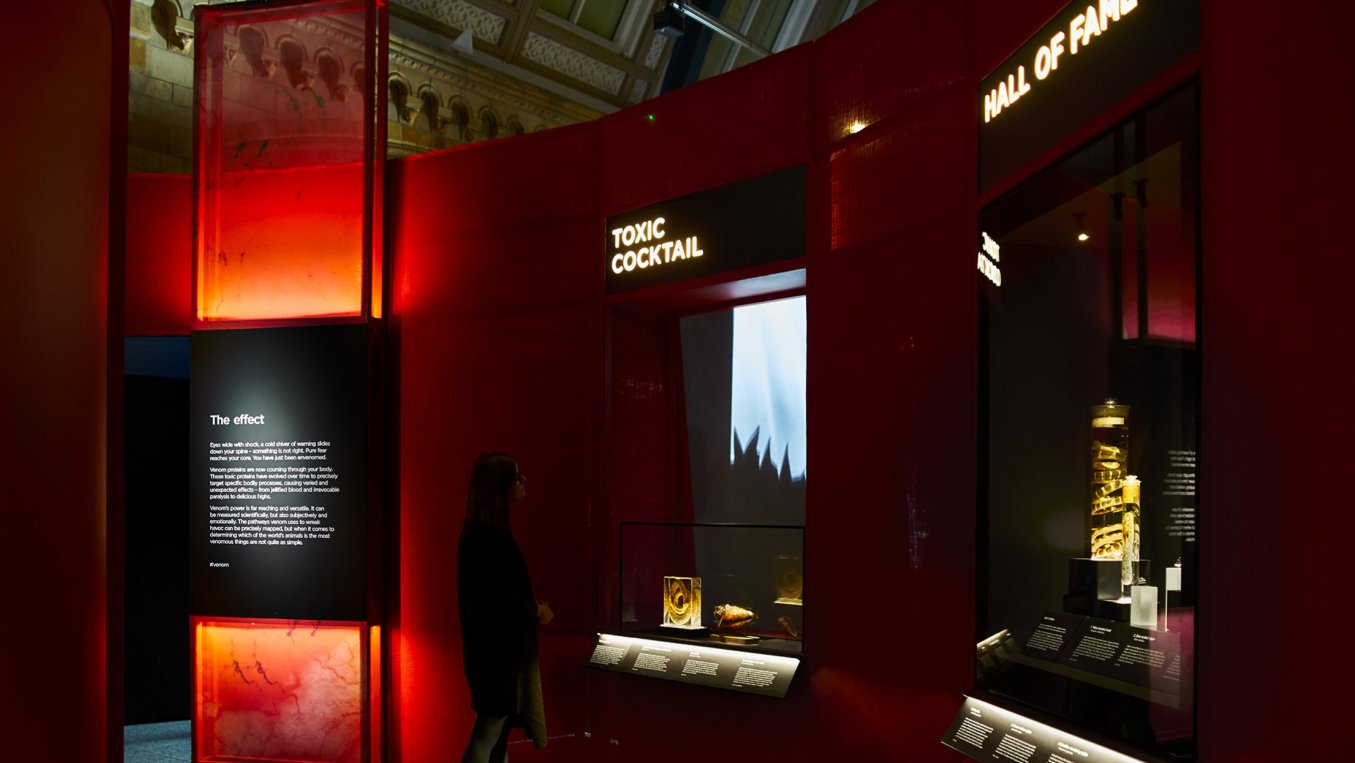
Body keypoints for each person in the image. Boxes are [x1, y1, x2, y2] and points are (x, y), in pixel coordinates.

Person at [458, 452, 553, 763]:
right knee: (489, 732)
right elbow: (498, 603)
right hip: (497, 656)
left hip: (494, 654)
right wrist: (535, 611)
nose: (523, 482)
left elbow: (497, 597)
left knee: (496, 736)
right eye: (517, 477)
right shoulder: (489, 536)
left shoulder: (482, 531)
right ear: (500, 487)